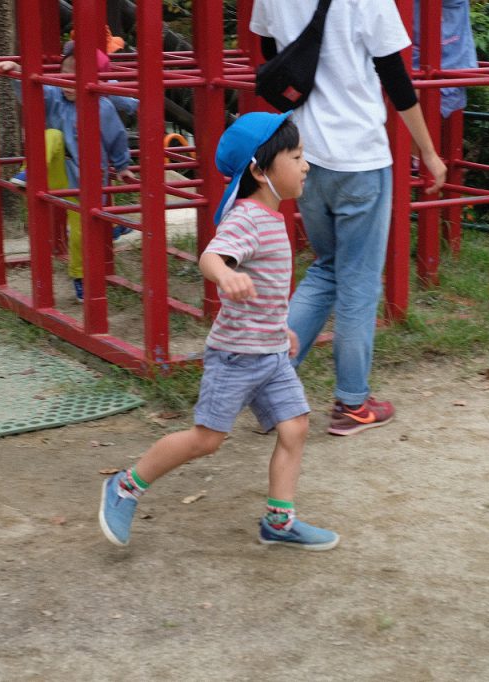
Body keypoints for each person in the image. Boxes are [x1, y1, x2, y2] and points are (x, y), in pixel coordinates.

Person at [98, 111, 339, 551]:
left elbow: (267, 289)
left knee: (296, 427)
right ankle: (125, 486)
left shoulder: (272, 216)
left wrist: (280, 329)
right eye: (296, 156)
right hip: (236, 357)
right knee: (207, 440)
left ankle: (279, 522)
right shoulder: (247, 218)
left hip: (270, 353)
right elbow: (211, 256)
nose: (306, 165)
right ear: (260, 170)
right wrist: (225, 274)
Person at [251, 0, 448, 437]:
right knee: (358, 280)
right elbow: (395, 78)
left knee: (327, 268)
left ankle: (267, 390)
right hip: (359, 157)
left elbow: (271, 49)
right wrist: (429, 152)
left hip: (305, 155)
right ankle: (352, 403)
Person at [0, 42, 138, 303]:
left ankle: (81, 277)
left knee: (81, 233)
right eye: (64, 72)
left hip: (87, 182)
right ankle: (28, 174)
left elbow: (117, 138)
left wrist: (123, 167)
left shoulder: (103, 108)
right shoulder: (55, 96)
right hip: (55, 172)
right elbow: (33, 93)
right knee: (51, 135)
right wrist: (17, 72)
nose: (67, 81)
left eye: (75, 76)